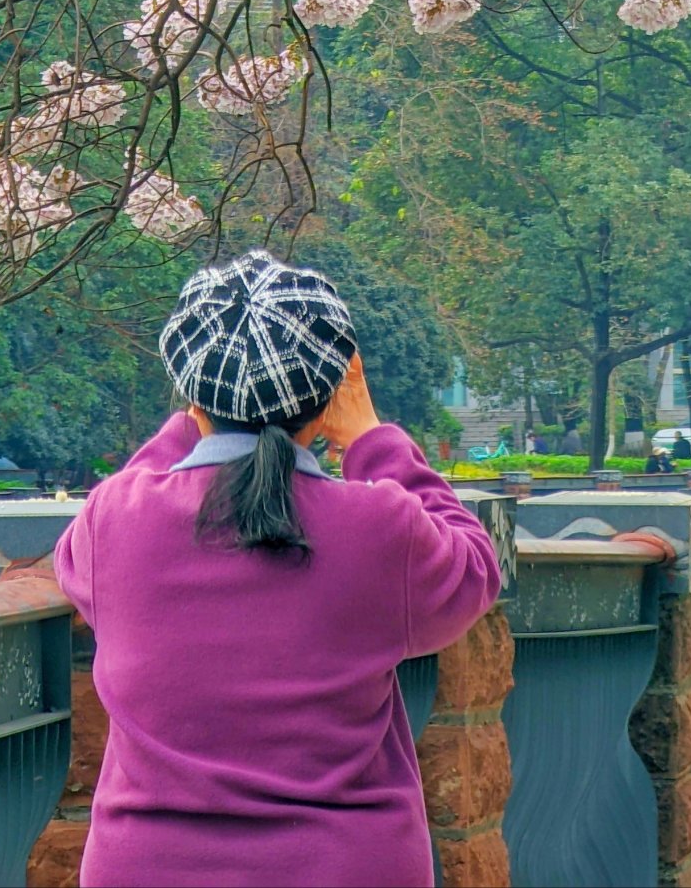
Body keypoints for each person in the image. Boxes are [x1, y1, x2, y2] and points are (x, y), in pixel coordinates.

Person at [52, 250, 500, 887]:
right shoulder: (381, 527)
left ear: (190, 391)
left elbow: (88, 545)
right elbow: (475, 567)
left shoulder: (115, 520)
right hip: (348, 865)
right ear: (330, 397)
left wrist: (189, 426)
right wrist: (372, 438)